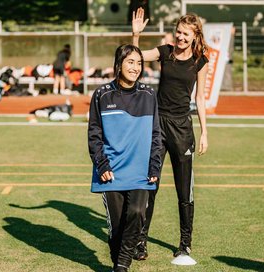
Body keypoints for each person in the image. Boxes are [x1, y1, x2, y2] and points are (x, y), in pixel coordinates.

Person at [132, 8, 209, 260]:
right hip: (157, 126)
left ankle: (185, 244)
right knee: (149, 186)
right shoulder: (165, 51)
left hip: (182, 129)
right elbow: (136, 58)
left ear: (195, 35)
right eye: (178, 32)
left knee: (183, 190)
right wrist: (136, 36)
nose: (180, 37)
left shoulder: (200, 61)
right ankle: (140, 242)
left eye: (186, 34)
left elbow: (199, 98)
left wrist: (204, 132)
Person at [88, 44, 162, 272]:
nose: (136, 67)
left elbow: (156, 134)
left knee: (138, 213)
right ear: (119, 64)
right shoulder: (102, 94)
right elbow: (94, 133)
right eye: (130, 62)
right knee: (118, 227)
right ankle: (118, 259)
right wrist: (102, 165)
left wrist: (154, 167)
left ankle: (122, 266)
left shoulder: (149, 95)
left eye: (139, 63)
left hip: (140, 172)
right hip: (112, 172)